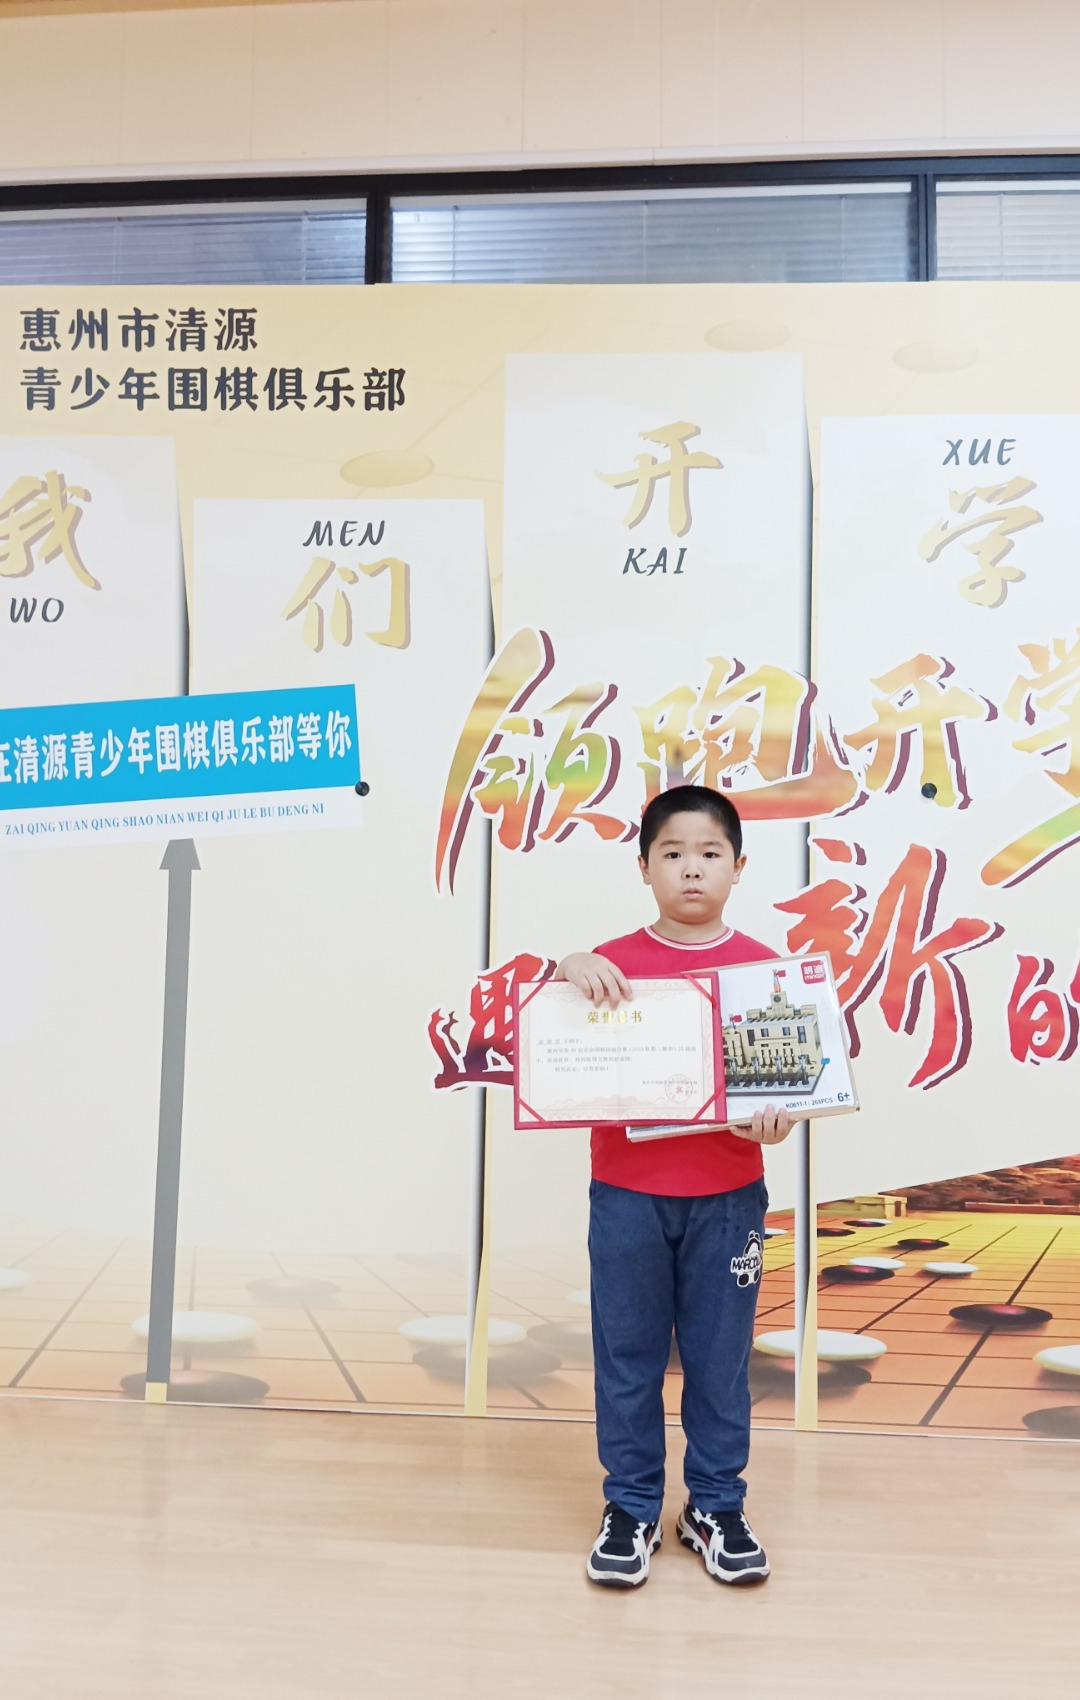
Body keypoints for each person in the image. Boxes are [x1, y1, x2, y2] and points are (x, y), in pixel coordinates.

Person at [555, 784, 792, 1589]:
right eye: (673, 853)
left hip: (729, 1197)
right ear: (645, 867)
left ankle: (715, 1507)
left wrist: (779, 1121)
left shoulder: (766, 973)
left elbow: (788, 1090)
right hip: (626, 1193)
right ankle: (630, 1507)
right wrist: (566, 968)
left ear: (738, 867)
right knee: (627, 1357)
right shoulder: (606, 965)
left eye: (710, 853)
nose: (692, 869)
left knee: (720, 1361)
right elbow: (551, 1037)